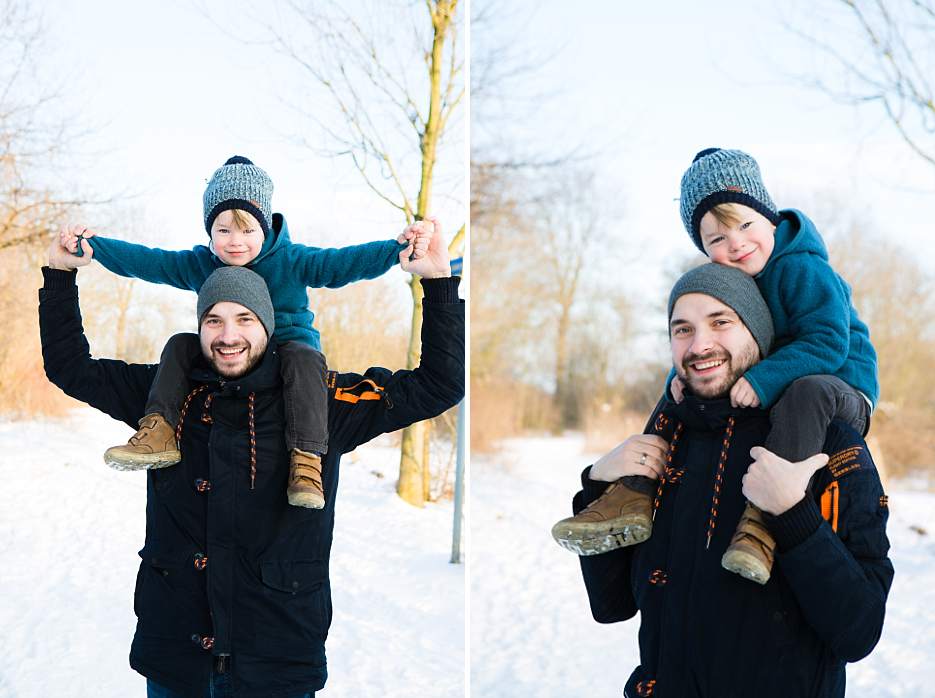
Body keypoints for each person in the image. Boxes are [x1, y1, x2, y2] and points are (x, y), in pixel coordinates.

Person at [40, 228, 463, 697]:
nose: (228, 336)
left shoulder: (322, 401)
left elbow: (437, 385)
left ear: (267, 325)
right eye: (214, 321)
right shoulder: (164, 395)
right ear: (199, 325)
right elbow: (70, 367)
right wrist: (60, 276)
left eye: (244, 319)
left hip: (276, 663)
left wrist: (439, 285)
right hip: (177, 661)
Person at [556, 264, 892, 698]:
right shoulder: (666, 439)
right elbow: (612, 603)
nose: (700, 345)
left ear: (757, 331)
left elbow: (858, 630)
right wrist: (599, 484)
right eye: (682, 329)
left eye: (721, 322)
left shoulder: (826, 443)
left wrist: (793, 515)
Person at [553, 148, 878, 585]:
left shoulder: (802, 268)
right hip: (795, 378)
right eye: (717, 239)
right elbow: (718, 341)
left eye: (745, 225)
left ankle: (762, 522)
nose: (737, 244)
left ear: (770, 217)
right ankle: (631, 492)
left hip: (840, 387)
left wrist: (763, 379)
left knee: (807, 391)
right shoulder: (744, 275)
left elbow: (828, 342)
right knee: (678, 391)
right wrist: (679, 377)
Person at [60, 155, 434, 511]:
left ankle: (305, 459)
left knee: (305, 358)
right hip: (228, 356)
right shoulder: (200, 263)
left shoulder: (292, 260)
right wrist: (97, 247)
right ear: (210, 230)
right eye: (223, 230)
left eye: (246, 230)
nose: (234, 241)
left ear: (265, 225)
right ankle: (159, 430)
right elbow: (150, 261)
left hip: (289, 353)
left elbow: (342, 264)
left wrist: (395, 250)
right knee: (180, 345)